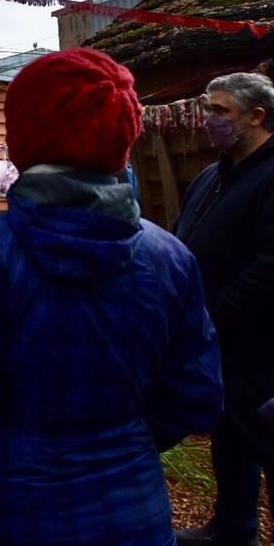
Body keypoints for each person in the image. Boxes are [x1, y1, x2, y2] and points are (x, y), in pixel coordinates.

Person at [0, 48, 223, 546]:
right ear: (126, 134)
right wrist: (125, 444)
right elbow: (198, 397)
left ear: (26, 135)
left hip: (5, 513)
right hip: (135, 511)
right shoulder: (171, 256)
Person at [174, 72, 274, 546]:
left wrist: (210, 318)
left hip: (260, 342)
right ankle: (234, 527)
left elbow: (268, 269)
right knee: (229, 432)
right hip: (218, 342)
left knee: (264, 435)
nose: (208, 120)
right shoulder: (212, 176)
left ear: (257, 116)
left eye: (220, 111)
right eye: (207, 109)